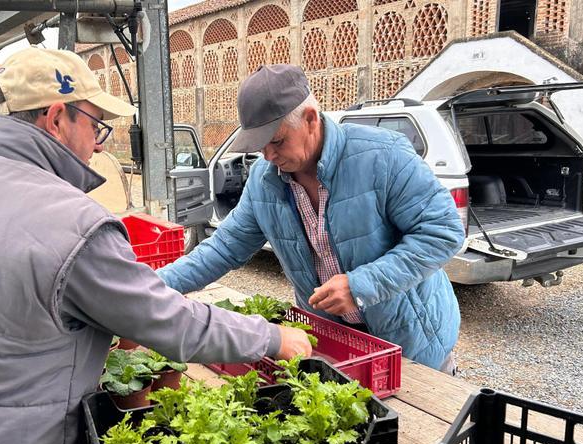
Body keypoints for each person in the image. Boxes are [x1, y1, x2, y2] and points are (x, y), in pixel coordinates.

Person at [0, 48, 312, 444]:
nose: (98, 142)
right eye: (96, 125)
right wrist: (271, 338)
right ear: (56, 118)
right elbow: (170, 322)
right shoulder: (68, 222)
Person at [158, 64, 465, 373]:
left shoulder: (383, 157)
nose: (267, 155)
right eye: (258, 145)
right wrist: (152, 290)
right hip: (333, 344)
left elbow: (443, 232)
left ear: (310, 119)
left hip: (410, 346)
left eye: (276, 141)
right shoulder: (264, 180)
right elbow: (223, 248)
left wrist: (361, 285)